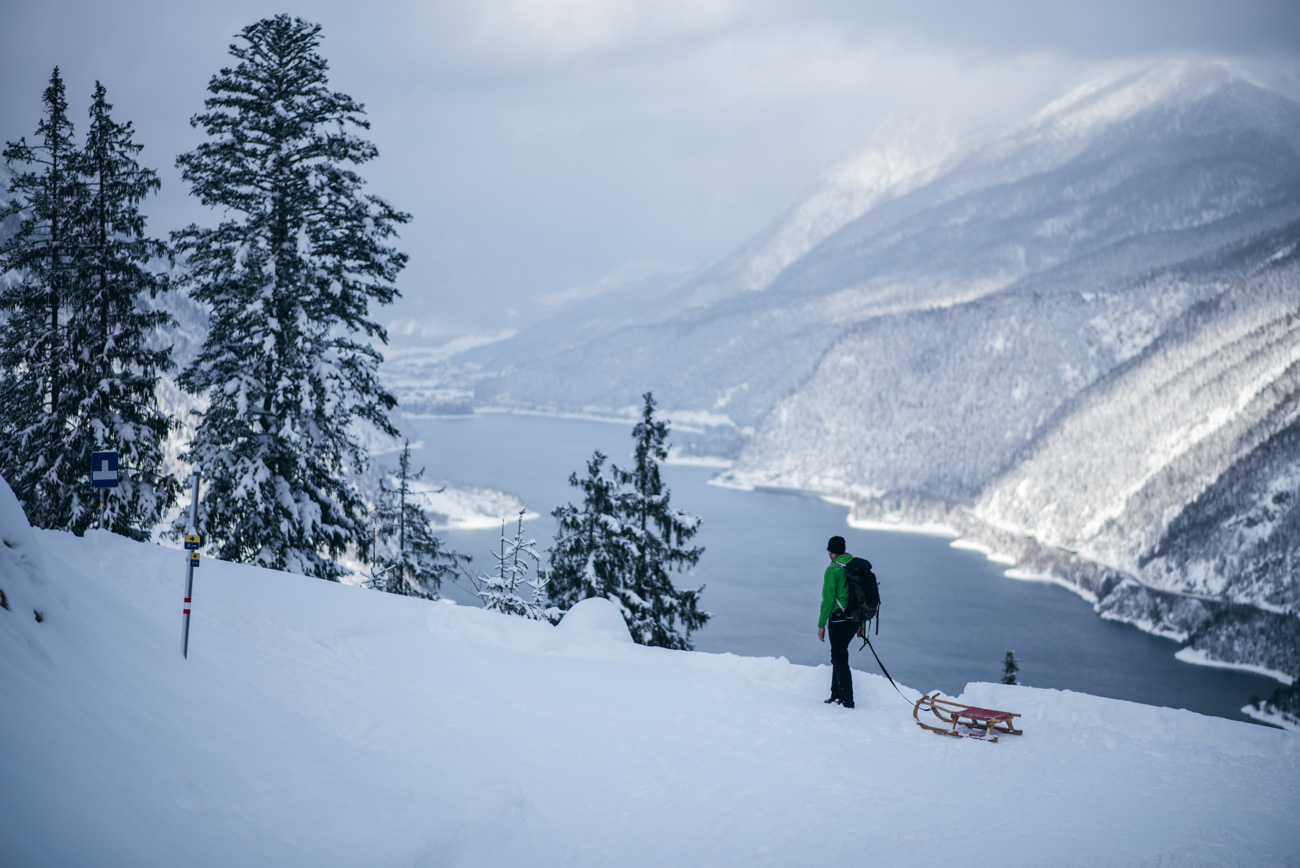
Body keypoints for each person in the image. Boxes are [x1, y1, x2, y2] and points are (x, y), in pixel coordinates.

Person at [818, 535, 863, 708]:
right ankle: (836, 695)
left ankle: (847, 700)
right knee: (838, 655)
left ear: (830, 552)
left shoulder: (832, 570)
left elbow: (827, 600)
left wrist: (821, 625)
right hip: (854, 619)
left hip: (839, 620)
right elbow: (860, 597)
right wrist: (862, 624)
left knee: (840, 658)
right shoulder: (853, 564)